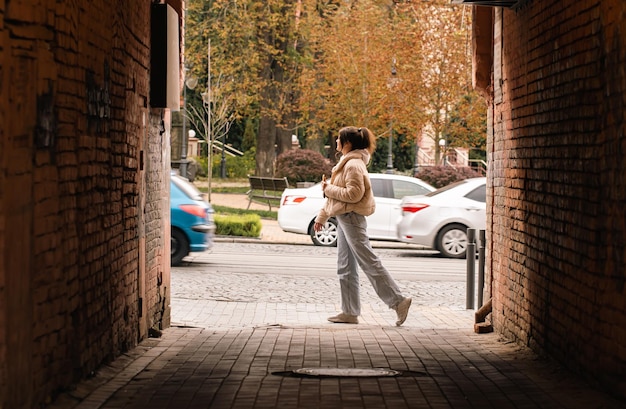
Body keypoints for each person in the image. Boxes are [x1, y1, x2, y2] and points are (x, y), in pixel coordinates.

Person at [314, 126, 412, 326]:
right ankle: (349, 312)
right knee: (345, 266)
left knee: (369, 261)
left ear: (347, 143)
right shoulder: (347, 163)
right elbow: (337, 197)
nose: (336, 143)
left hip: (351, 217)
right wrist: (321, 217)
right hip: (344, 217)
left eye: (339, 139)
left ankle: (398, 302)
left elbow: (353, 194)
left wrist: (327, 188)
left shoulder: (354, 165)